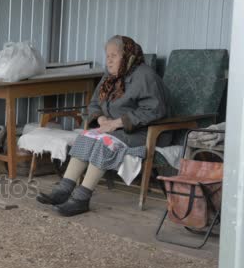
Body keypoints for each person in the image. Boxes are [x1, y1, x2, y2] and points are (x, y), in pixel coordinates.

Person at [37, 35, 171, 216]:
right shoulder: (110, 77)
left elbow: (154, 110)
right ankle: (64, 190)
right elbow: (94, 103)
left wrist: (116, 123)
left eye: (114, 55)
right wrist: (100, 120)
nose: (108, 60)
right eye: (107, 55)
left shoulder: (145, 76)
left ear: (128, 56)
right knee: (86, 136)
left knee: (104, 142)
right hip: (116, 129)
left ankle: (81, 199)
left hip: (144, 132)